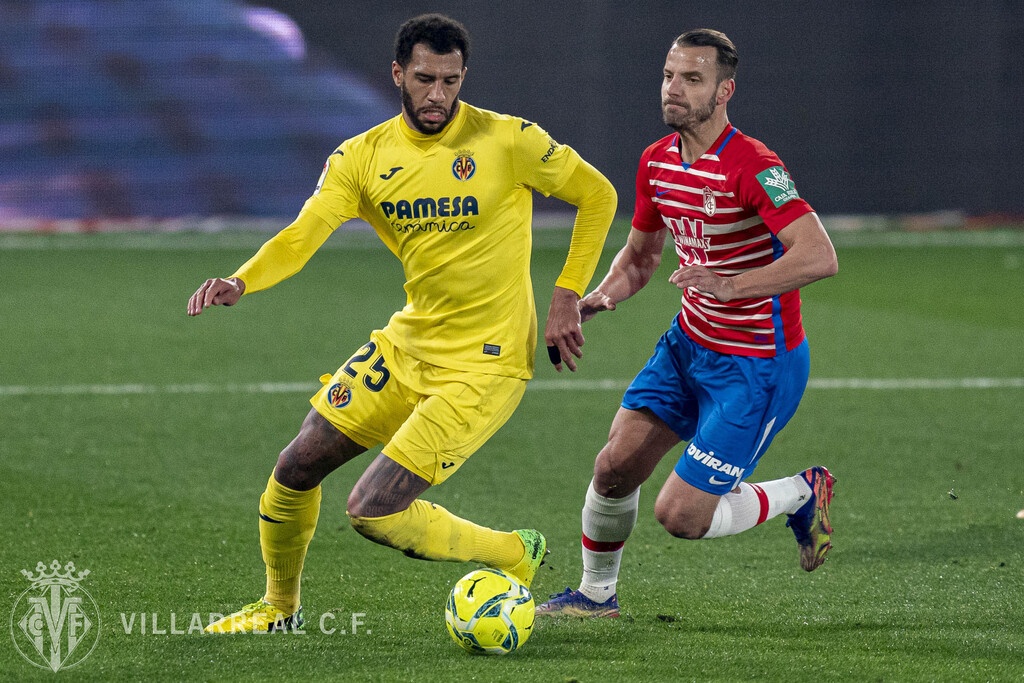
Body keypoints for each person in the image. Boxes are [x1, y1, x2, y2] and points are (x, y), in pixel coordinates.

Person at [187, 13, 616, 633]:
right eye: (424, 79)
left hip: (485, 364)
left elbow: (598, 195)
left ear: (463, 76)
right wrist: (241, 279)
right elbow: (304, 234)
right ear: (397, 74)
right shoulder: (362, 157)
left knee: (373, 511)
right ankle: (279, 609)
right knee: (296, 467)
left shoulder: (509, 140)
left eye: (450, 81)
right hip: (409, 343)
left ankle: (513, 552)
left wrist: (565, 295)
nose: (438, 94)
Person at [536, 29, 838, 618]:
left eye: (692, 79)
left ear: (725, 91)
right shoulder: (656, 160)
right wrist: (600, 297)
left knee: (680, 517)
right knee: (613, 468)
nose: (673, 89)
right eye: (669, 75)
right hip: (687, 348)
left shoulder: (754, 165)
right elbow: (641, 256)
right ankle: (597, 595)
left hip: (756, 366)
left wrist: (731, 285)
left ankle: (802, 491)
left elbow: (819, 255)